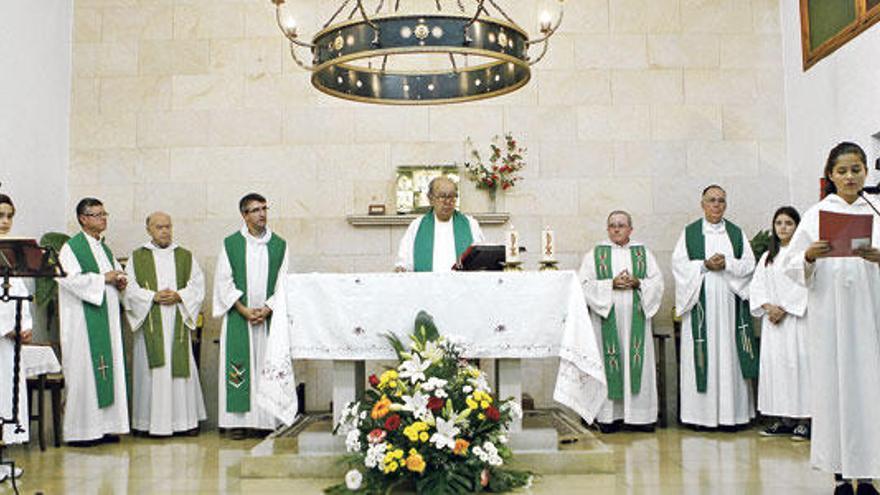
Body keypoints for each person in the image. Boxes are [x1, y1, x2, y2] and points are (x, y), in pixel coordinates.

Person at [783, 142, 880, 495]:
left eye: (856, 169)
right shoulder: (816, 215)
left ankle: (868, 474)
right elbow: (791, 267)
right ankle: (839, 474)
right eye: (842, 171)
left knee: (869, 392)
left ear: (866, 172)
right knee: (833, 391)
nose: (850, 176)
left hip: (870, 319)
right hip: (830, 320)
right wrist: (808, 255)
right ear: (830, 175)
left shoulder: (877, 211)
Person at [672, 185, 757, 429]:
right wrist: (704, 265)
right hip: (700, 303)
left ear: (726, 205)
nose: (716, 205)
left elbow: (749, 265)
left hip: (730, 305)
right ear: (702, 204)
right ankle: (700, 417)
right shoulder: (689, 233)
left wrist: (727, 263)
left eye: (721, 201)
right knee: (703, 357)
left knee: (729, 355)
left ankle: (733, 416)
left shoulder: (736, 233)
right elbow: (678, 265)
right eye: (712, 200)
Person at [578, 211, 664, 432]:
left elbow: (657, 283)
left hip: (636, 320)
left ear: (630, 229)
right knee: (609, 366)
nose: (616, 229)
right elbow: (583, 284)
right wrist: (610, 285)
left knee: (637, 364)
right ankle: (608, 416)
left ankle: (639, 417)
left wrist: (638, 283)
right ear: (607, 229)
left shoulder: (642, 252)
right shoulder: (596, 253)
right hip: (607, 321)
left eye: (621, 225)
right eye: (612, 226)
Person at [122, 212, 207, 437]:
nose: (165, 231)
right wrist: (152, 297)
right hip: (151, 320)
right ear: (148, 229)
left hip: (177, 321)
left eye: (168, 226)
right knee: (152, 372)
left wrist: (180, 296)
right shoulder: (137, 257)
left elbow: (197, 287)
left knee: (179, 372)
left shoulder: (185, 256)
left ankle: (184, 422)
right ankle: (146, 423)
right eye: (159, 227)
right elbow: (128, 290)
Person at [214, 193, 288, 440]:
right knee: (240, 369)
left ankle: (267, 420)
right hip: (239, 316)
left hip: (268, 318)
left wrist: (268, 307)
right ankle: (237, 422)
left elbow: (284, 281)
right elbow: (224, 280)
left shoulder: (279, 244)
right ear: (244, 215)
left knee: (267, 367)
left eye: (264, 208)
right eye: (255, 210)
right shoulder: (231, 244)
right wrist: (243, 309)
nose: (262, 214)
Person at [57, 197, 130, 445]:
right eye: (98, 215)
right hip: (82, 325)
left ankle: (106, 427)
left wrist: (118, 281)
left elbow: (110, 277)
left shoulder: (103, 248)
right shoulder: (72, 248)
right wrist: (103, 278)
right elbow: (69, 279)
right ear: (83, 218)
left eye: (104, 213)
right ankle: (81, 432)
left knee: (105, 371)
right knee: (85, 373)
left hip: (105, 321)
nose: (103, 218)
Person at [749, 207, 811, 441]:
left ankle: (805, 419)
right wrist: (768, 307)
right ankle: (784, 419)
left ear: (797, 227)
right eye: (779, 223)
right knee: (777, 369)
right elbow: (757, 286)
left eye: (788, 223)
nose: (783, 227)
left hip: (796, 320)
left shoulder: (803, 255)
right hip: (773, 322)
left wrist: (784, 308)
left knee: (799, 368)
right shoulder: (768, 256)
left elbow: (805, 285)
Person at [0, 194, 31, 481]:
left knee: (6, 399)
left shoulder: (10, 253)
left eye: (10, 215)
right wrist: (5, 326)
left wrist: (25, 323)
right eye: (0, 216)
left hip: (11, 343)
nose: (6, 221)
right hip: (1, 338)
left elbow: (19, 294)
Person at [395, 177, 484, 272]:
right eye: (442, 196)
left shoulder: (470, 224)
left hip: (462, 284)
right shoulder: (417, 225)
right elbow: (405, 261)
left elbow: (480, 257)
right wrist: (402, 268)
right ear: (430, 199)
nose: (447, 202)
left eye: (452, 196)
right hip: (426, 285)